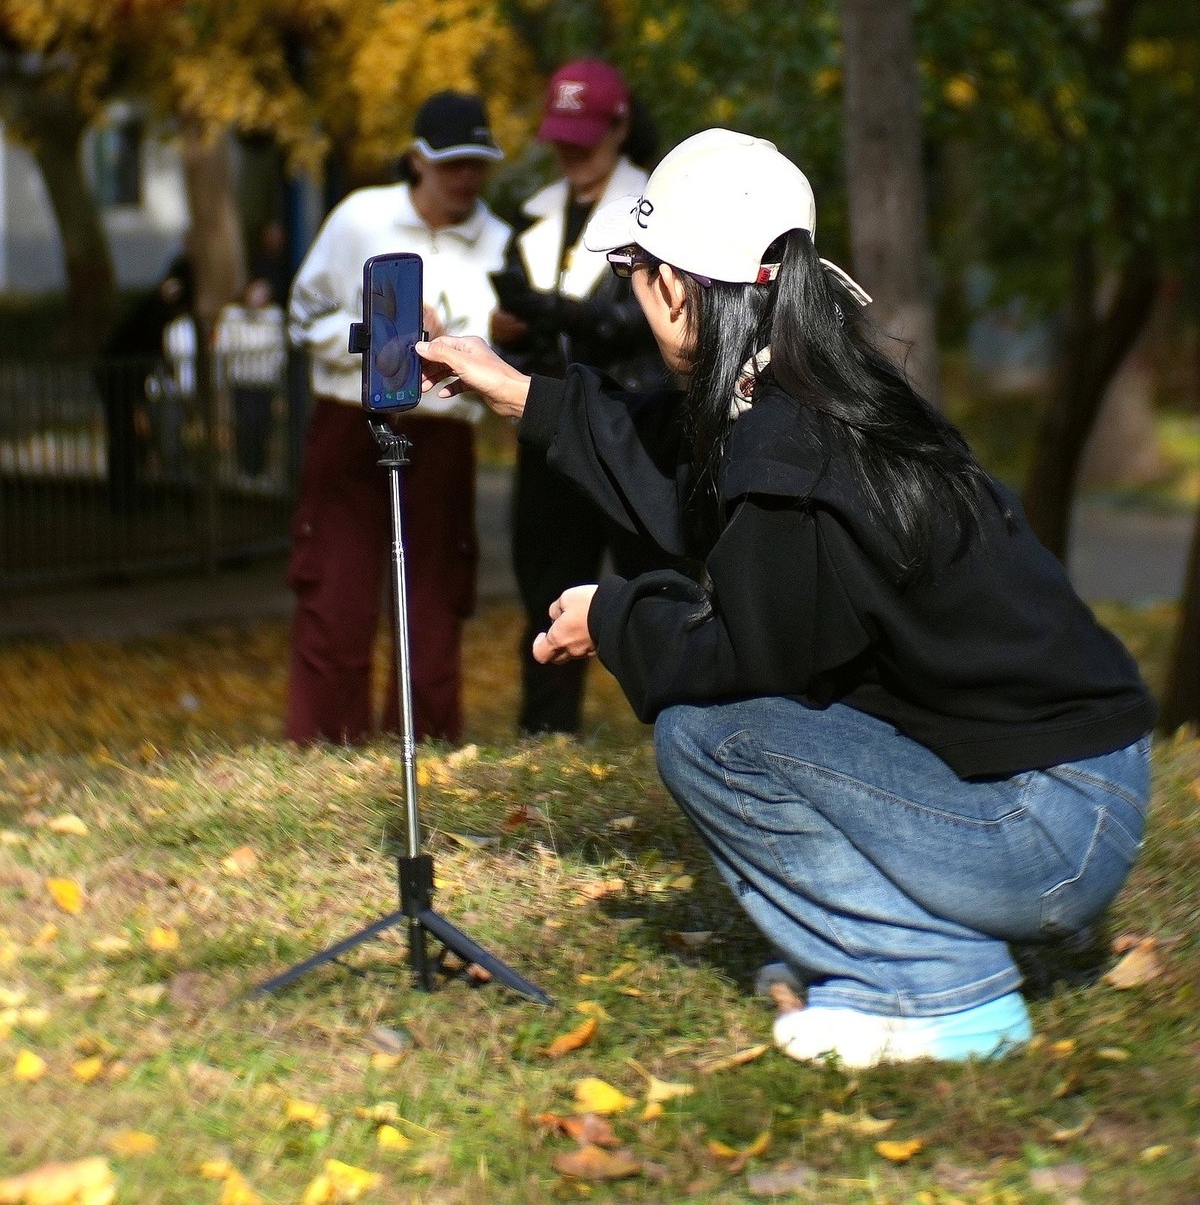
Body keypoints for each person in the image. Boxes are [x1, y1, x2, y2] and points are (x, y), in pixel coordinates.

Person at [417, 128, 1156, 1068]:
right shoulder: (810, 389)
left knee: (712, 738)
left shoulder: (790, 449)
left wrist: (613, 617)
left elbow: (746, 658)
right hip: (1072, 796)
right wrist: (517, 391)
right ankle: (904, 956)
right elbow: (671, 455)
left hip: (1047, 833)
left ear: (676, 287)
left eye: (636, 274)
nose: (636, 296)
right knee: (746, 720)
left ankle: (938, 991)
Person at [286, 91, 510, 745]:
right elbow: (304, 317)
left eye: (477, 162)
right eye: (450, 163)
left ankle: (427, 750)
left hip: (441, 436)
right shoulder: (360, 219)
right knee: (336, 595)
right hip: (348, 424)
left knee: (434, 604)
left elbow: (499, 352)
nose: (465, 177)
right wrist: (383, 337)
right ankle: (326, 749)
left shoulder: (498, 243)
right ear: (417, 159)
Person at [489, 58, 668, 735]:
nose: (569, 150)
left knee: (653, 593)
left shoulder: (660, 210)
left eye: (583, 135)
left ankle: (677, 741)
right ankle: (545, 744)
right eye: (560, 135)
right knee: (546, 595)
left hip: (638, 434)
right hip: (554, 433)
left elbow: (644, 324)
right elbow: (540, 336)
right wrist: (512, 331)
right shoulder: (533, 214)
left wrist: (547, 311)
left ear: (620, 127)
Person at [96, 254, 195, 511]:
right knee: (125, 437)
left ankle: (126, 494)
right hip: (118, 375)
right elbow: (151, 343)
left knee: (126, 437)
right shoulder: (158, 308)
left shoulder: (154, 304)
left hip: (120, 374)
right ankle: (124, 496)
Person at [215, 277, 287, 480]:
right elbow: (224, 345)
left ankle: (259, 469)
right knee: (245, 426)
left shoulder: (274, 316)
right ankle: (246, 469)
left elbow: (278, 351)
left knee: (263, 426)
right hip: (242, 381)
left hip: (265, 382)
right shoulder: (233, 315)